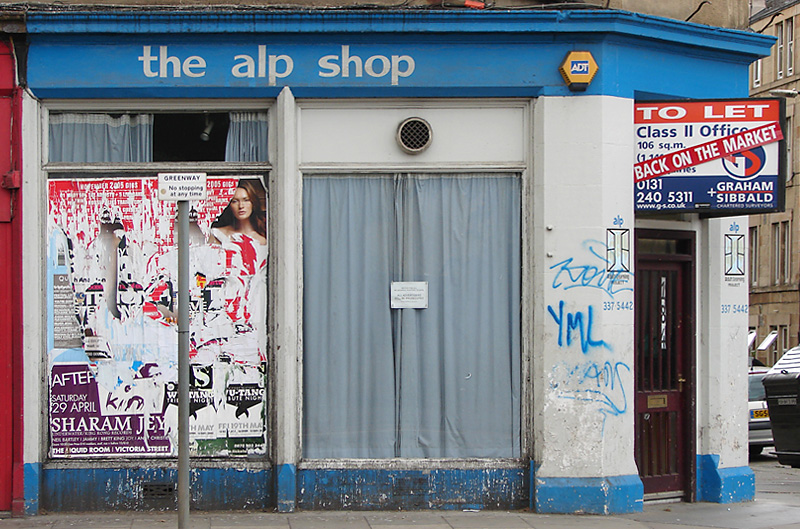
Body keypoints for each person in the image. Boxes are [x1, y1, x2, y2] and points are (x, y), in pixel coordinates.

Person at [209, 178, 267, 246]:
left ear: (253, 203)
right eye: (235, 201)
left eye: (246, 200)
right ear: (229, 205)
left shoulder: (261, 240)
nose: (241, 206)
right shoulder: (217, 234)